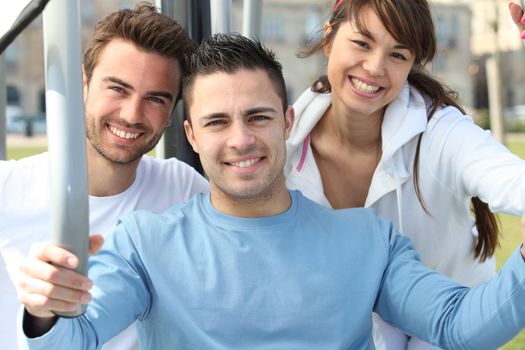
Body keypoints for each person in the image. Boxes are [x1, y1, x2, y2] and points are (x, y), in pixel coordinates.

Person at [14, 33, 525, 350]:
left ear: (286, 121)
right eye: (217, 122)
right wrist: (46, 308)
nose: (241, 140)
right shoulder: (143, 244)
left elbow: (460, 326)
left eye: (258, 117)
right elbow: (72, 340)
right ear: (191, 135)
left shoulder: (369, 240)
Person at [284, 1, 525, 349]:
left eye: (398, 55)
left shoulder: (439, 131)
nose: (374, 67)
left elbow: (512, 179)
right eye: (362, 43)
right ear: (328, 39)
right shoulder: (284, 145)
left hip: (454, 321)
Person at [0, 3, 208, 350]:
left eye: (155, 99)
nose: (131, 114)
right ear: (84, 84)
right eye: (117, 88)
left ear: (172, 113)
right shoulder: (6, 187)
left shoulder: (183, 188)